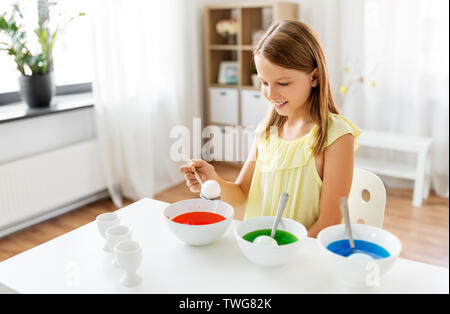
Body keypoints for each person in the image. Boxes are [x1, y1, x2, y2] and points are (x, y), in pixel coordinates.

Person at [180, 20, 361, 238]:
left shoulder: (336, 136)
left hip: (299, 257)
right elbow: (241, 193)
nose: (270, 94)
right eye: (264, 82)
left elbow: (329, 221)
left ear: (314, 77)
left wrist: (283, 253)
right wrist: (213, 181)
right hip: (257, 248)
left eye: (282, 84)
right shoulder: (267, 131)